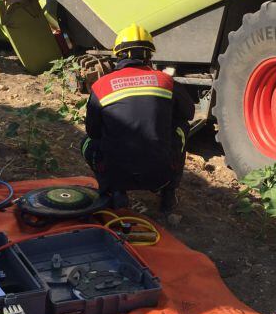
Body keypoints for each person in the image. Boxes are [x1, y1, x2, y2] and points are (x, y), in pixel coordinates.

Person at [80, 23, 194, 213]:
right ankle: (168, 194)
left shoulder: (101, 86)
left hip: (116, 174)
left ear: (119, 55)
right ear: (149, 55)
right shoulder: (166, 81)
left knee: (86, 142)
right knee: (182, 127)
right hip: (160, 174)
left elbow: (93, 131)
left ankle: (114, 191)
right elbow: (188, 113)